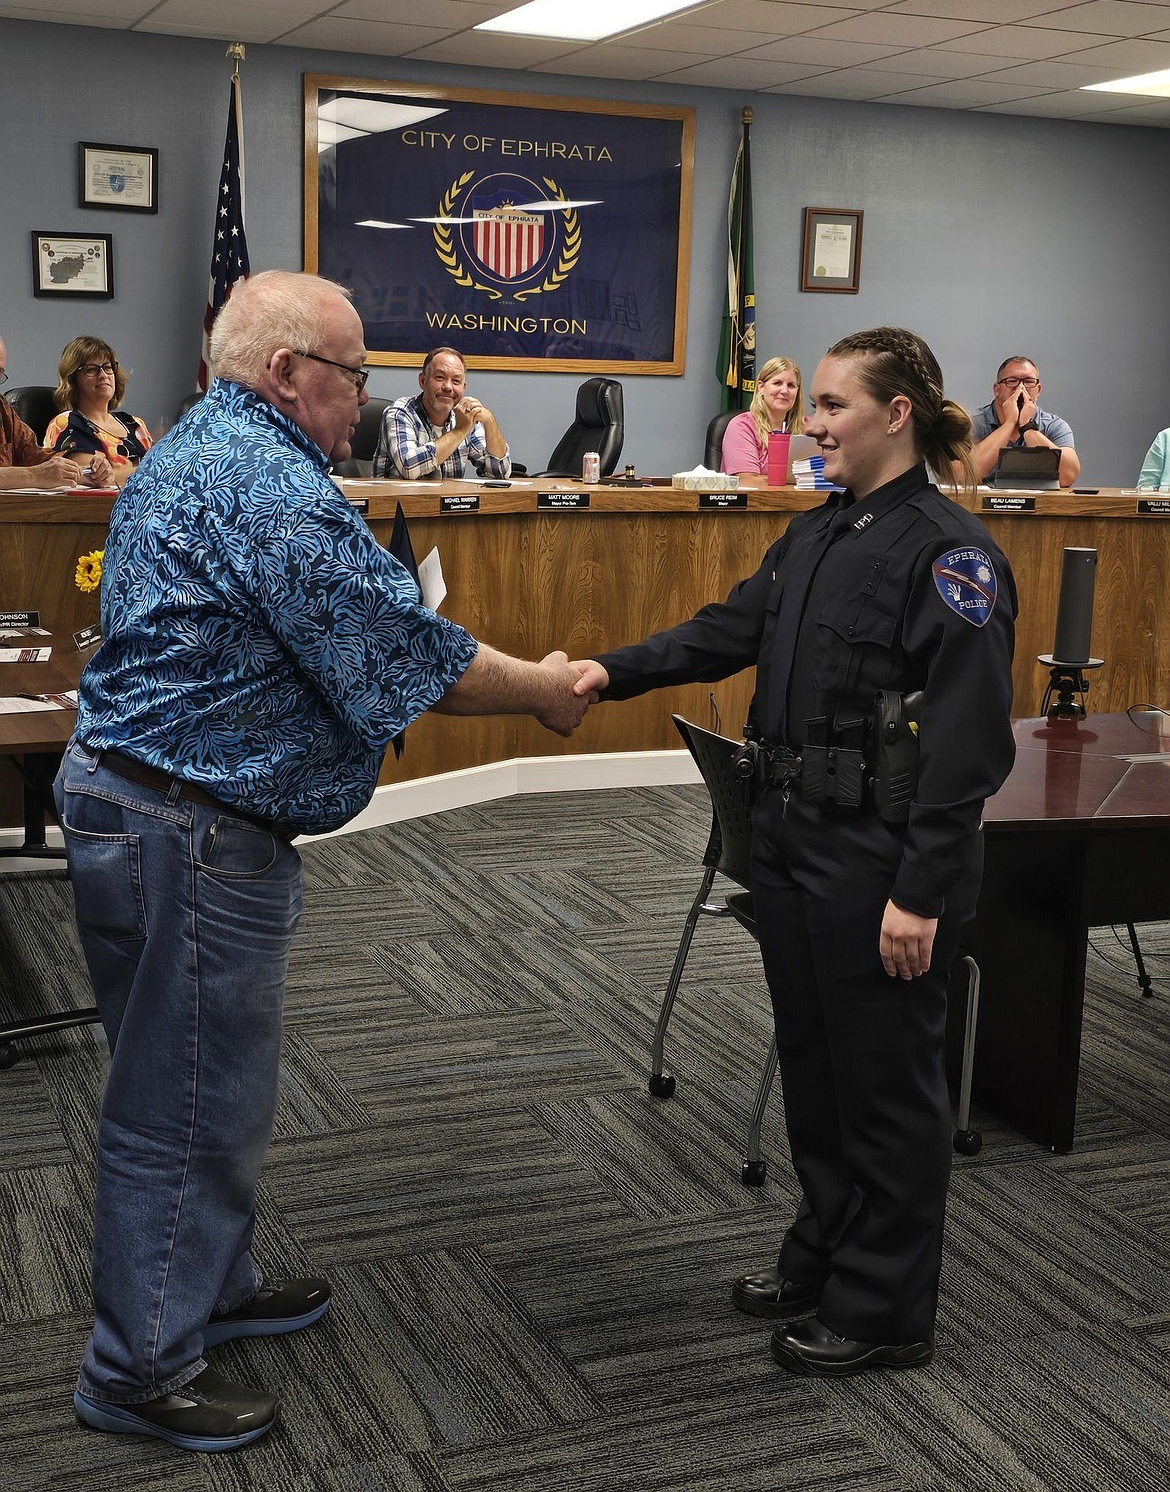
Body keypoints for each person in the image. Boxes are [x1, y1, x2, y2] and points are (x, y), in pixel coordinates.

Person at [53, 271, 594, 1455]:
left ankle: (209, 1285)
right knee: (182, 1101)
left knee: (210, 1086)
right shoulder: (265, 485)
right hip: (185, 827)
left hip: (151, 807)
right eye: (354, 376)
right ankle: (136, 1367)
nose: (364, 399)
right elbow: (411, 655)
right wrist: (547, 691)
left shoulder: (208, 445)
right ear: (292, 375)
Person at [572, 327, 1016, 1378]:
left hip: (878, 858)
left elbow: (963, 749)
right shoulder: (817, 537)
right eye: (809, 405)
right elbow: (723, 631)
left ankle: (885, 1305)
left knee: (890, 1084)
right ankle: (825, 1249)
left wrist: (921, 893)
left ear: (896, 414)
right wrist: (600, 671)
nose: (808, 425)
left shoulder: (950, 555)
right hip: (794, 840)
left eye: (831, 406)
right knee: (817, 1066)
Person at [374, 345, 510, 480]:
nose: (448, 387)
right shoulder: (400, 412)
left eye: (456, 381)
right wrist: (460, 431)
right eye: (439, 377)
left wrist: (489, 421)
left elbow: (500, 473)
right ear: (423, 381)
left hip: (450, 501)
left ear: (464, 387)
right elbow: (409, 468)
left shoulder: (465, 417)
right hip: (398, 501)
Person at [43, 336, 152, 487]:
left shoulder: (135, 423)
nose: (103, 375)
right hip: (99, 508)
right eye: (91, 370)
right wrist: (154, 471)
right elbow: (97, 478)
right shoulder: (65, 424)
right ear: (73, 380)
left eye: (107, 367)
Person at [968, 355, 1079, 488]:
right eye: (1012, 381)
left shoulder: (1055, 426)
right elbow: (965, 475)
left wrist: (1027, 427)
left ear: (1038, 390)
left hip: (1040, 507)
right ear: (997, 390)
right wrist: (1009, 424)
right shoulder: (970, 424)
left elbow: (1068, 477)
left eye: (1028, 381)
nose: (1021, 388)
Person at [0, 335, 89, 490]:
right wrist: (33, 476)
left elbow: (35, 455)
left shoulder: (2, 409)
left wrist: (87, 472)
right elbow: (39, 472)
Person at [721, 356, 805, 477]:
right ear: (761, 387)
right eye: (777, 383)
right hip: (756, 496)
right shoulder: (742, 426)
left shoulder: (808, 428)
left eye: (791, 385)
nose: (785, 391)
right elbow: (747, 480)